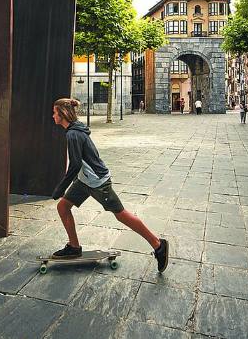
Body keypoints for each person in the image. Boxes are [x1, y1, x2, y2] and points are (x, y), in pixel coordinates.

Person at [50, 98, 169, 273]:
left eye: (54, 112)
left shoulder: (73, 134)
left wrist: (60, 188)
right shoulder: (75, 130)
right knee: (63, 207)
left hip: (98, 182)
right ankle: (74, 247)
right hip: (85, 180)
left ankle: (158, 245)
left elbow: (75, 164)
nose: (53, 116)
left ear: (62, 114)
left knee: (121, 215)